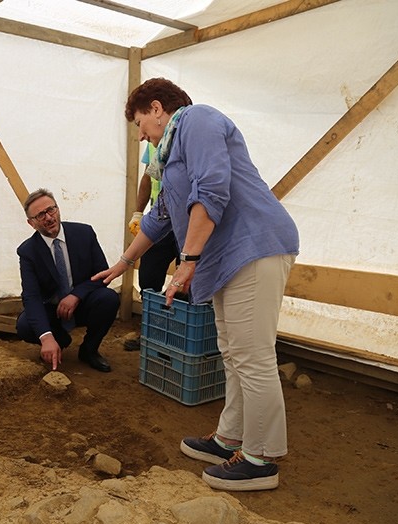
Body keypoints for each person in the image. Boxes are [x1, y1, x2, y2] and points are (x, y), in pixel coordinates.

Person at [93, 78, 299, 491]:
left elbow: (213, 188)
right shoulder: (168, 159)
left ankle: (262, 458)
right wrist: (124, 263)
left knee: (253, 356)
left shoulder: (196, 119)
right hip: (226, 259)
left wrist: (187, 261)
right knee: (233, 352)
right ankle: (230, 440)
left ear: (156, 108)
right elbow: (159, 217)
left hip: (254, 246)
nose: (140, 135)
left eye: (140, 124)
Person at [16, 188, 120, 373]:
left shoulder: (84, 233)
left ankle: (89, 350)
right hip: (53, 310)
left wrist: (76, 295)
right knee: (24, 325)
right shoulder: (27, 252)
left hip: (82, 303)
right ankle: (60, 339)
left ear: (58, 209)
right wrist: (46, 337)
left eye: (51, 210)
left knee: (109, 299)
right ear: (31, 223)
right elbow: (31, 296)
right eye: (40, 215)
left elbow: (102, 274)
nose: (48, 217)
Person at [128, 144, 179, 295]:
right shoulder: (151, 142)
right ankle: (150, 311)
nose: (143, 136)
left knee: (185, 281)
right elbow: (147, 178)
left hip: (184, 222)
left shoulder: (186, 137)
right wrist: (138, 212)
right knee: (148, 276)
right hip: (158, 221)